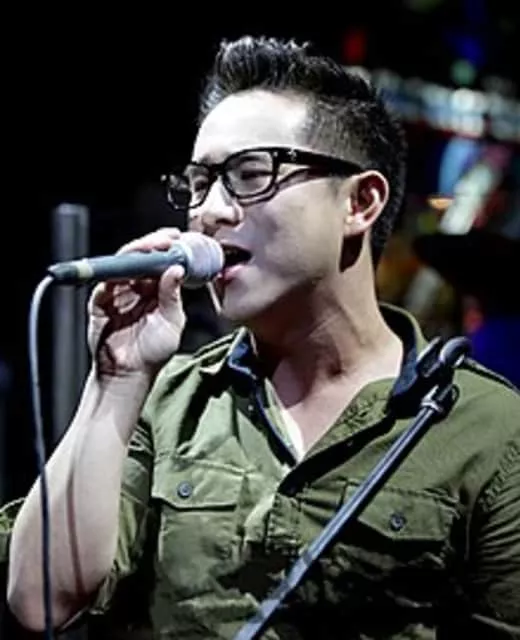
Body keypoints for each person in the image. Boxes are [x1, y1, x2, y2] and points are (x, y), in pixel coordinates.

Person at [3, 35, 520, 639]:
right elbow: (41, 599)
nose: (208, 211)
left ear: (360, 202)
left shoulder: (488, 428)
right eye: (199, 183)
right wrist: (115, 379)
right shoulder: (167, 401)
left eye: (250, 174)